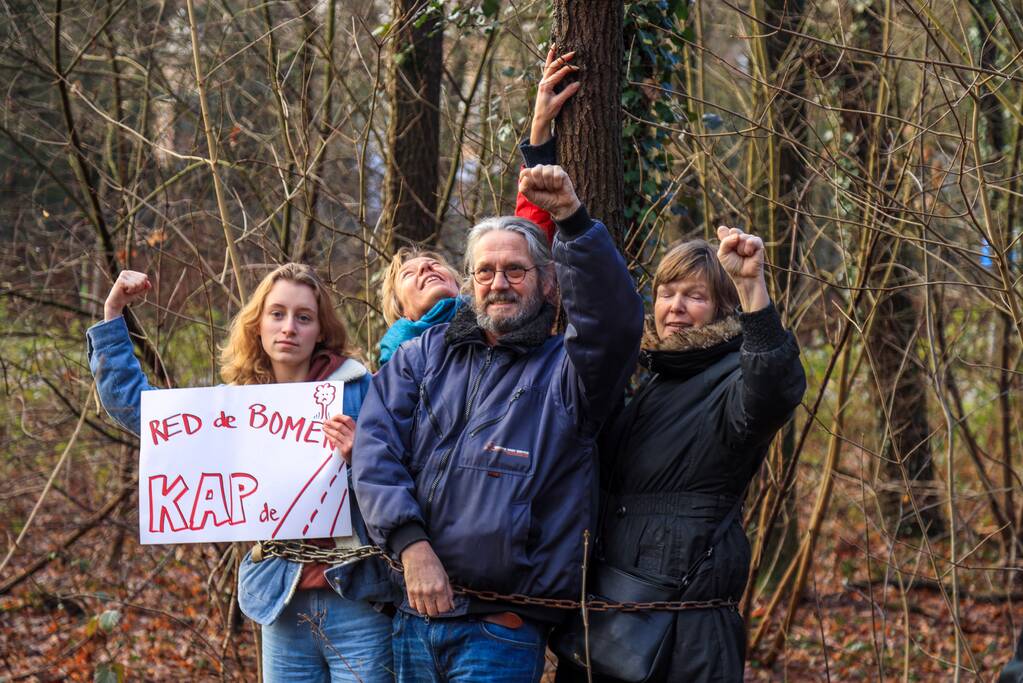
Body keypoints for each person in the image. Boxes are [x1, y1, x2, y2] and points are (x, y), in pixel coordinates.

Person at [352, 165, 644, 682]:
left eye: (516, 270)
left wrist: (573, 222)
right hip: (414, 618)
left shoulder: (570, 372)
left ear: (548, 284)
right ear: (468, 283)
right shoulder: (421, 357)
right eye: (485, 271)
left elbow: (615, 324)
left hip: (502, 631)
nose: (499, 283)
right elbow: (376, 450)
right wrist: (411, 545)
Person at [87, 264, 393, 682]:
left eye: (304, 317)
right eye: (277, 314)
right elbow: (138, 409)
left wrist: (363, 455)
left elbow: (408, 468)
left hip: (358, 596)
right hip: (280, 600)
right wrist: (112, 315)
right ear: (259, 324)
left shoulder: (360, 388)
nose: (289, 327)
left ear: (320, 329)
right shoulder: (234, 406)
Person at [555, 228, 807, 682]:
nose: (675, 306)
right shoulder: (652, 380)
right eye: (667, 293)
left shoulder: (732, 376)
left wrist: (753, 288)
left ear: (723, 308)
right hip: (610, 619)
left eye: (695, 296)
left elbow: (773, 389)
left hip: (685, 633)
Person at [375, 45, 576, 367]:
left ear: (465, 284)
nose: (426, 268)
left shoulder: (506, 318)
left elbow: (528, 234)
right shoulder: (394, 367)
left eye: (434, 264)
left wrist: (540, 127)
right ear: (399, 309)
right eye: (409, 273)